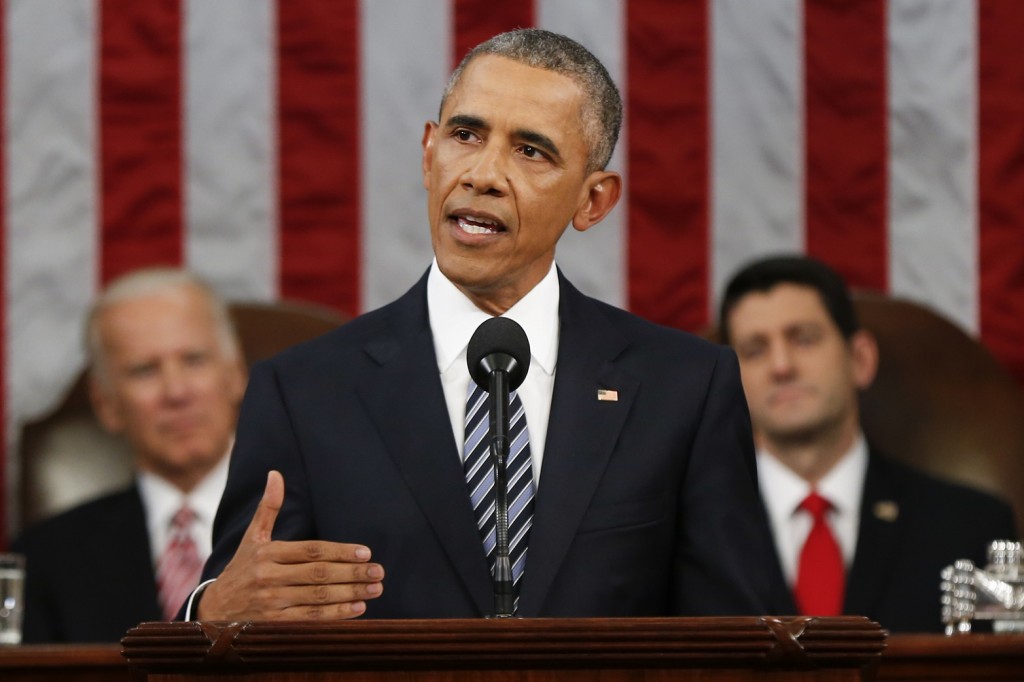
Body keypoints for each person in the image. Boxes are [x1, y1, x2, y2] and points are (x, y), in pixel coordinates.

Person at [192, 28, 787, 621]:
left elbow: (739, 638)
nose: (483, 174)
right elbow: (232, 616)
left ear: (593, 201)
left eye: (531, 151)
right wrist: (214, 611)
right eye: (465, 135)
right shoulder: (301, 394)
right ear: (429, 153)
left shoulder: (684, 389)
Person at [718, 255, 1019, 633]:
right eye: (755, 350)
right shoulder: (691, 535)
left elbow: (1006, 666)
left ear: (860, 358)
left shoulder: (976, 526)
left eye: (804, 339)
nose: (781, 366)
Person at [12, 268, 247, 642]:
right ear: (106, 404)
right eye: (144, 371)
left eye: (194, 360)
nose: (176, 392)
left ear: (236, 375)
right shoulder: (47, 559)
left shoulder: (312, 528)